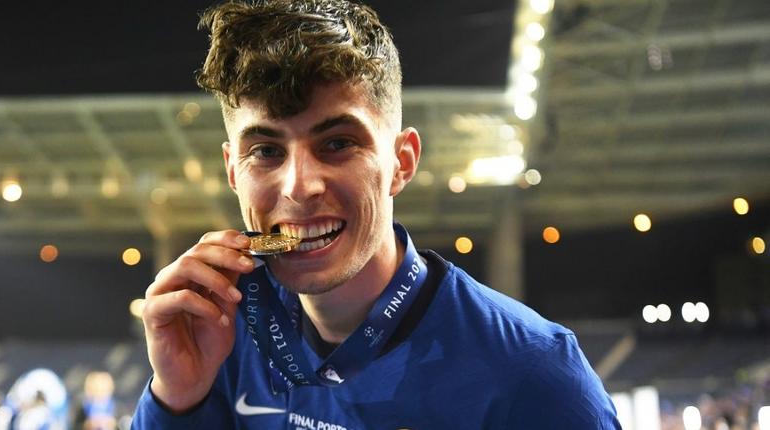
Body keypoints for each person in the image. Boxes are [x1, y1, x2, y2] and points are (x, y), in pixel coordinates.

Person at [133, 0, 622, 428]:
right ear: (233, 171)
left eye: (338, 143)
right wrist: (175, 399)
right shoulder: (219, 334)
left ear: (401, 162)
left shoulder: (535, 374)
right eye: (265, 151)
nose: (299, 186)